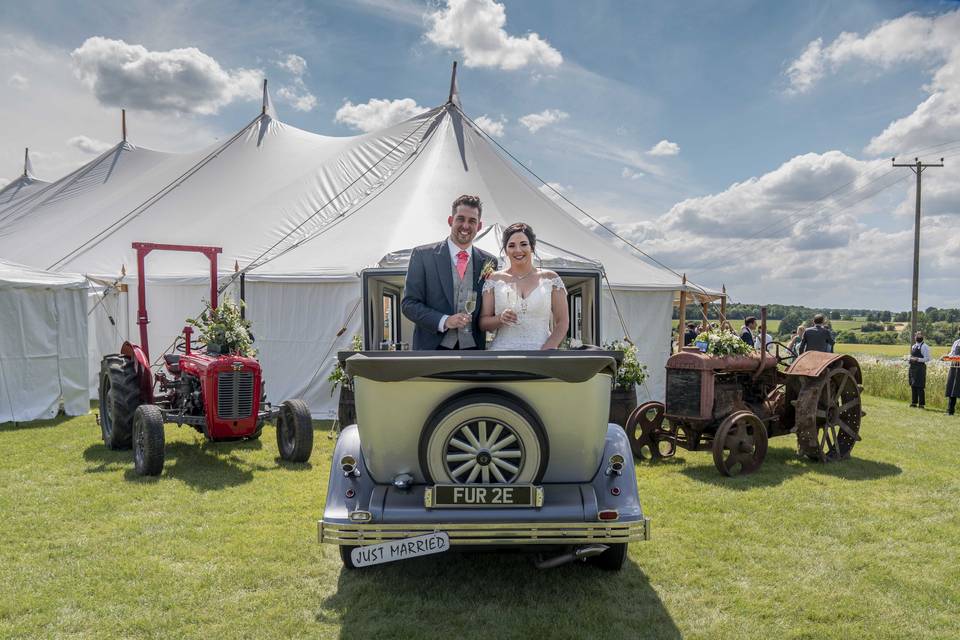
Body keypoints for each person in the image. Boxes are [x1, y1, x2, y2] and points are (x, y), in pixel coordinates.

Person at [401, 194, 497, 350]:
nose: (466, 226)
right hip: (432, 349)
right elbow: (409, 304)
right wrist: (444, 320)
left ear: (479, 226)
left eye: (472, 221)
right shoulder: (422, 255)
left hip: (474, 351)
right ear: (450, 221)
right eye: (460, 219)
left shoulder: (489, 262)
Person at [479, 223, 569, 350]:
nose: (518, 250)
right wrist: (500, 319)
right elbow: (483, 324)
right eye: (511, 245)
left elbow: (562, 322)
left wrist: (547, 350)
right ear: (505, 250)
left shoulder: (551, 279)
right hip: (502, 353)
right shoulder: (494, 279)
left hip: (541, 352)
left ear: (532, 247)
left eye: (523, 244)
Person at [907, 331, 931, 408]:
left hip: (920, 368)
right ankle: (914, 402)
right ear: (915, 337)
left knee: (920, 386)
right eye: (916, 335)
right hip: (912, 368)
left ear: (922, 336)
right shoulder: (913, 346)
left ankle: (921, 404)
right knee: (913, 385)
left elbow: (927, 359)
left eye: (919, 335)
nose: (918, 336)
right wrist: (909, 359)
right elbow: (912, 356)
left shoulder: (925, 347)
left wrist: (917, 359)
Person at [944, 328, 960, 416]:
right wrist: (946, 356)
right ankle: (950, 411)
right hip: (954, 367)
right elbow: (952, 354)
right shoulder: (956, 342)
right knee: (952, 389)